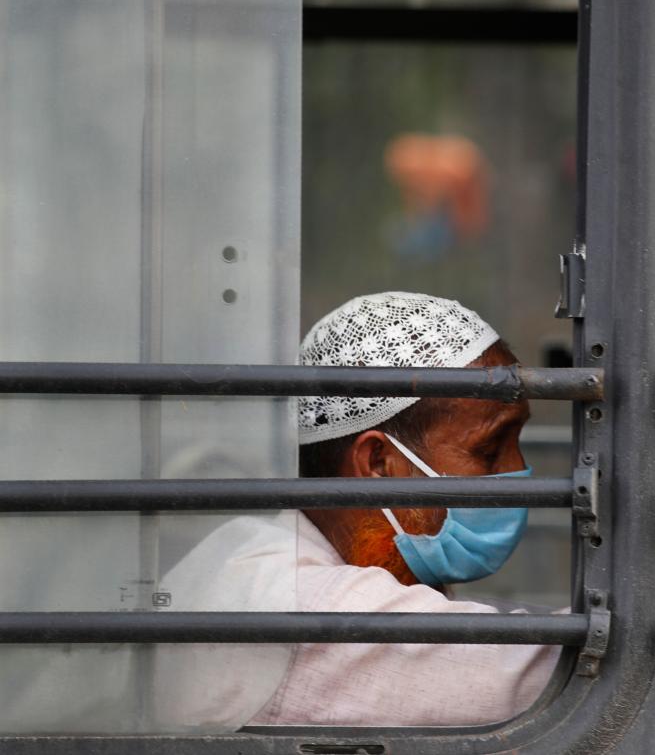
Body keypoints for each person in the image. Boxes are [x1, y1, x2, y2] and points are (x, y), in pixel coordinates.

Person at [154, 292, 560, 730]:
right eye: (490, 448)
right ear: (378, 464)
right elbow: (531, 673)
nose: (519, 471)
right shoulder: (294, 602)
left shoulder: (269, 550)